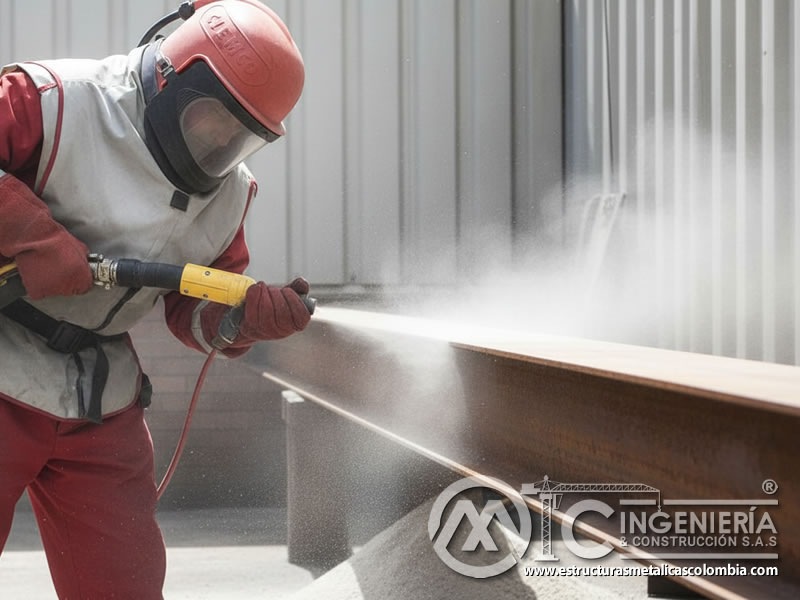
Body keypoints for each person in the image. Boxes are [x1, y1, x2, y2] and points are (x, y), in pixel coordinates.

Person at [0, 1, 310, 597]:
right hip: (3, 360)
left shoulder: (229, 198)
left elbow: (192, 311)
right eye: (210, 119)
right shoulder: (60, 101)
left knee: (125, 586)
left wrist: (240, 321)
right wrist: (29, 232)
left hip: (99, 393)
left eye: (239, 137)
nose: (219, 142)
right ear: (172, 77)